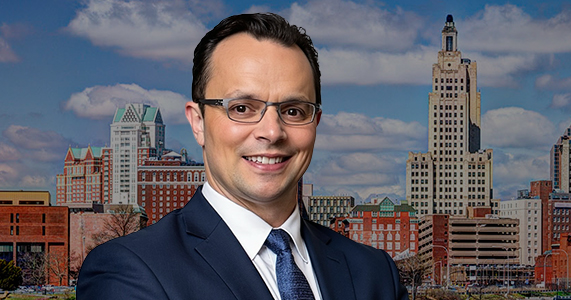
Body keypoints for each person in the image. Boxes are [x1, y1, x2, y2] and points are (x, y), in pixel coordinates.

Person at [78, 13, 408, 300]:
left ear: (315, 123)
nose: (272, 131)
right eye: (241, 108)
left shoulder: (374, 274)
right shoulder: (129, 269)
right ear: (198, 122)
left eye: (293, 110)